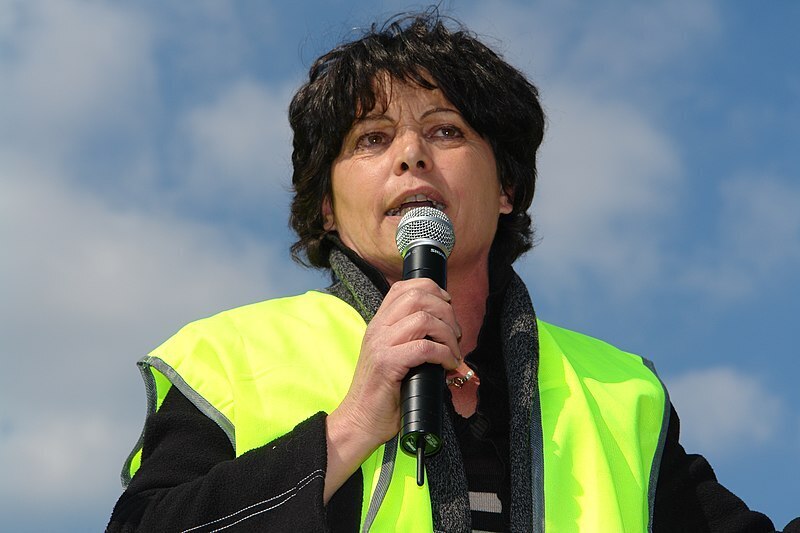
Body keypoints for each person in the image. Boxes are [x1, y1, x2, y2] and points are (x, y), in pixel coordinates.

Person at [108, 10, 799, 533]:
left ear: (506, 188)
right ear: (325, 208)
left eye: (446, 131)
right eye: (372, 139)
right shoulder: (225, 361)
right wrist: (348, 429)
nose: (410, 154)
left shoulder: (622, 395)